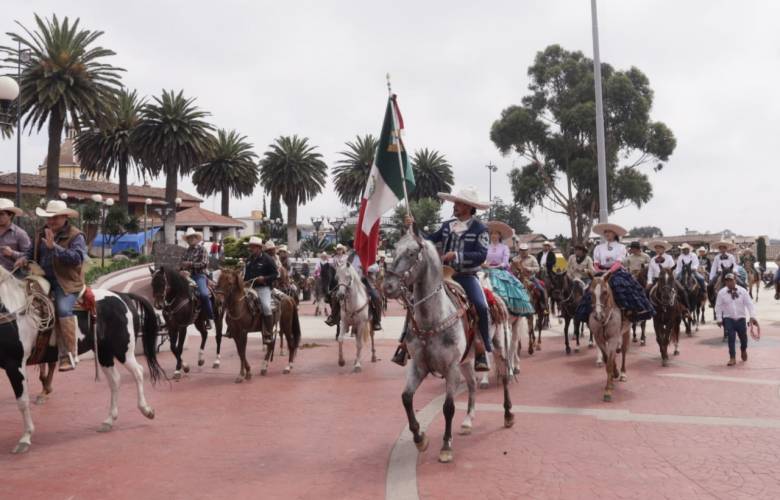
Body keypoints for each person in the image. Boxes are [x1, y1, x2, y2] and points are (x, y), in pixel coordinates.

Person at [396, 186, 492, 371]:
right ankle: (404, 343)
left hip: (466, 276)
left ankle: (483, 349)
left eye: (458, 203)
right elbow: (429, 241)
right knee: (416, 302)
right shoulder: (448, 225)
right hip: (442, 275)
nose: (454, 206)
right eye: (455, 203)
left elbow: (480, 255)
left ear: (468, 207)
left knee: (481, 305)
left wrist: (456, 256)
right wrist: (413, 226)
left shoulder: (481, 229)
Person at [16, 200, 87, 371]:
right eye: (49, 217)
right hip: (42, 278)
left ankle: (68, 355)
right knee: (22, 302)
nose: (51, 221)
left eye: (55, 217)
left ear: (65, 217)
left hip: (66, 282)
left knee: (63, 310)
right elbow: (30, 250)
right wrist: (24, 258)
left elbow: (77, 258)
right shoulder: (42, 232)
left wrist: (54, 247)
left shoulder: (76, 235)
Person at [575, 222, 654, 323]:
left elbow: (618, 262)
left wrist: (608, 272)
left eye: (609, 232)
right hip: (600, 272)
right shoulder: (598, 248)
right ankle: (587, 314)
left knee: (624, 286)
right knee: (590, 290)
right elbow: (596, 263)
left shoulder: (621, 247)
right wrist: (600, 271)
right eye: (605, 232)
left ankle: (629, 311)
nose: (607, 234)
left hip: (616, 271)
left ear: (615, 234)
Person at [483, 220, 534, 315]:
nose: (493, 235)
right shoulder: (486, 247)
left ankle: (509, 310)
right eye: (492, 233)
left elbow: (505, 262)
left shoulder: (504, 247)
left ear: (500, 236)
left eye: (496, 233)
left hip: (500, 271)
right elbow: (482, 259)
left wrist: (498, 266)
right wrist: (484, 264)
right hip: (486, 270)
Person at [715, 273, 758, 366]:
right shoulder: (721, 293)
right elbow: (718, 306)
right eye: (727, 281)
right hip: (728, 318)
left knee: (743, 338)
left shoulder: (743, 291)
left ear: (735, 280)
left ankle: (743, 350)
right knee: (731, 337)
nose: (729, 282)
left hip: (741, 318)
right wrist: (719, 318)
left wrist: (752, 316)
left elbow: (749, 304)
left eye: (731, 280)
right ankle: (732, 358)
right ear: (725, 282)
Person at [242, 236, 278, 344]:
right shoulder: (249, 259)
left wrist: (264, 278)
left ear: (259, 248)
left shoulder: (268, 259)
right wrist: (243, 282)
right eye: (250, 247)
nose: (251, 249)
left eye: (252, 247)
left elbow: (276, 274)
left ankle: (268, 333)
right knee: (238, 300)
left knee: (266, 307)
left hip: (263, 288)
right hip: (250, 287)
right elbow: (246, 275)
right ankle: (232, 328)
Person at [179, 228, 215, 330]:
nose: (190, 239)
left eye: (192, 237)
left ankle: (209, 317)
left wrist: (190, 264)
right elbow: (182, 263)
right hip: (187, 276)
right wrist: (181, 270)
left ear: (196, 238)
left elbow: (204, 264)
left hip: (199, 275)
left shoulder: (202, 249)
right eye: (189, 238)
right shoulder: (187, 251)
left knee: (203, 294)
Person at [511, 243, 548, 313]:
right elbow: (510, 269)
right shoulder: (515, 259)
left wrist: (529, 269)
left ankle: (544, 307)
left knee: (541, 289)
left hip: (531, 278)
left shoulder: (532, 258)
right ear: (519, 251)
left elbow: (537, 269)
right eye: (522, 250)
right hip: (517, 279)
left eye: (525, 250)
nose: (523, 252)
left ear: (527, 250)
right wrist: (515, 271)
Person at [0, 198, 31, 272]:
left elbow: (29, 256)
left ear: (10, 215)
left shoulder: (20, 234)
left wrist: (12, 253)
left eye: (1, 214)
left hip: (11, 277)